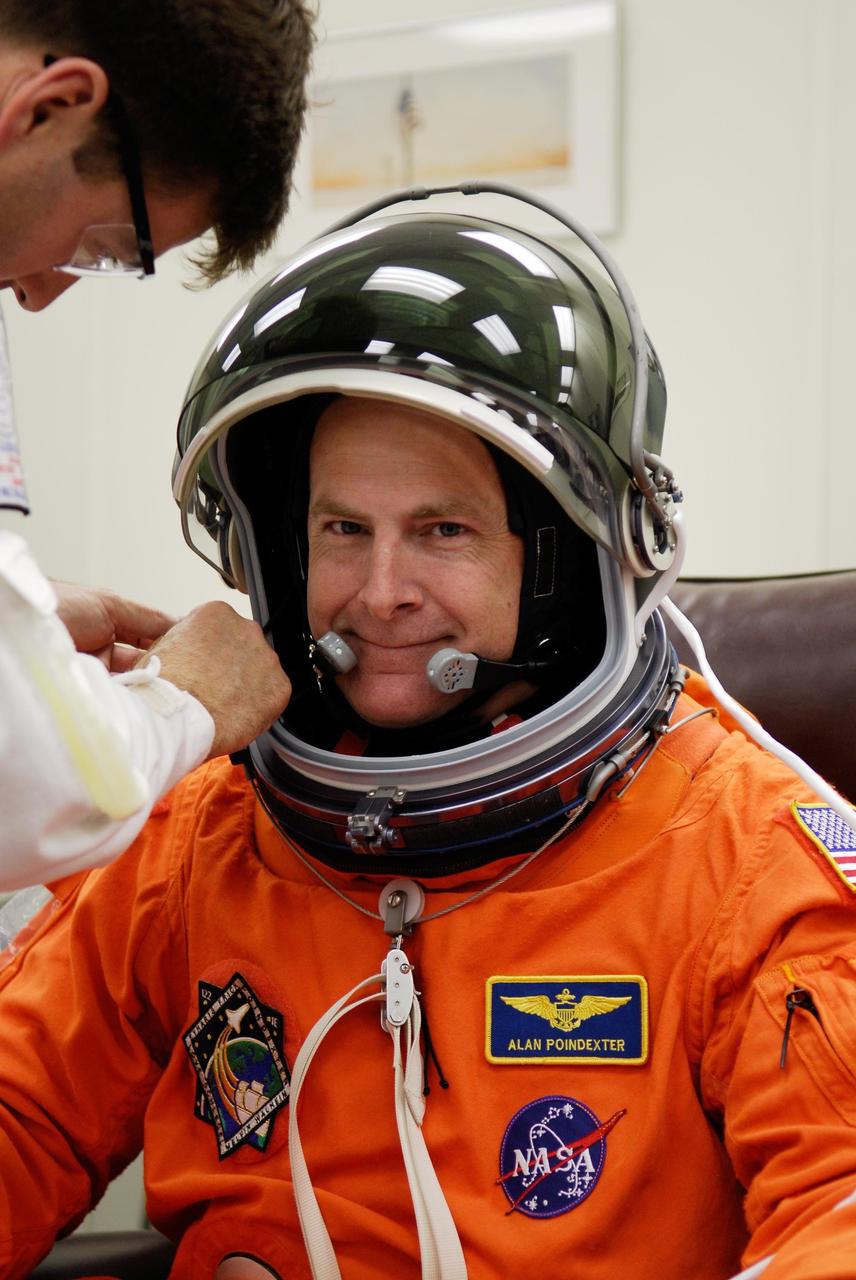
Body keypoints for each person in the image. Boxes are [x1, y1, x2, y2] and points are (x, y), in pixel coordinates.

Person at [0, 192, 854, 1280]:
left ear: (553, 558)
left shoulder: (745, 859)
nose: (381, 592)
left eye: (441, 530)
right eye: (342, 530)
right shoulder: (200, 832)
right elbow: (18, 1110)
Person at [0, 0, 313, 883]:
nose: (43, 296)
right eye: (102, 246)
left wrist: (21, 625)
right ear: (51, 104)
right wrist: (180, 706)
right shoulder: (180, 851)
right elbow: (34, 789)